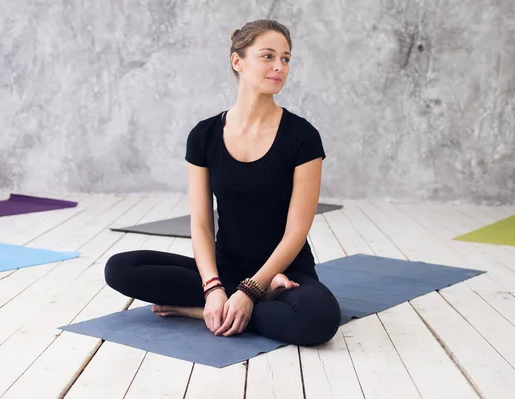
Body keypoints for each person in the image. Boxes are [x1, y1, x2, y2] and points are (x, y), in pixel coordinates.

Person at [105, 19, 341, 346]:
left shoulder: (302, 138)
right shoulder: (204, 136)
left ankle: (202, 311)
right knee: (120, 267)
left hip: (286, 272)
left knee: (320, 320)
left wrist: (252, 290)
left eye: (285, 59)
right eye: (268, 56)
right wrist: (213, 288)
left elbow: (296, 232)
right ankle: (225, 305)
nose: (279, 67)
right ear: (237, 61)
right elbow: (201, 224)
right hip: (225, 270)